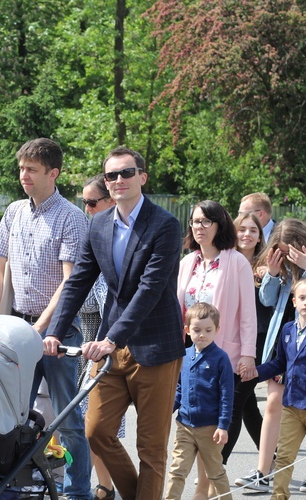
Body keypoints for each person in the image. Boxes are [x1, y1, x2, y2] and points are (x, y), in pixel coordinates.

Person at [48, 146, 186, 500]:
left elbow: (150, 289)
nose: (119, 180)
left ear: (142, 177)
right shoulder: (97, 224)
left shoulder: (165, 225)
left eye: (127, 173)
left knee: (151, 447)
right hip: (112, 350)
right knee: (96, 431)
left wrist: (111, 338)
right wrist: (54, 332)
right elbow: (78, 281)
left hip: (155, 346)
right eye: (112, 175)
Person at [0, 138, 91, 500]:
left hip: (58, 334)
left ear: (53, 173)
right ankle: (17, 484)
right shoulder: (14, 212)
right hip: (17, 329)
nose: (23, 175)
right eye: (21, 168)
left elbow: (70, 282)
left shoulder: (71, 217)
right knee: (11, 415)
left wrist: (41, 328)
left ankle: (78, 492)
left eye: (31, 169)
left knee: (67, 417)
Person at [236, 218, 306, 493]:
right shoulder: (282, 269)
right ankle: (265, 471)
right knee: (274, 404)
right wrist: (274, 273)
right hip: (285, 342)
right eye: (281, 251)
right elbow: (267, 299)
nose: (285, 257)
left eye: (290, 252)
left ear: (303, 245)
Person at [176, 200, 257, 498]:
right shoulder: (187, 263)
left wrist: (248, 353)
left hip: (226, 356)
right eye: (195, 222)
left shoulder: (235, 261)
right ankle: (205, 488)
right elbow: (179, 312)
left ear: (220, 225)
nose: (199, 227)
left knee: (214, 427)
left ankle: (205, 488)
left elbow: (247, 312)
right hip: (190, 357)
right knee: (194, 424)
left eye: (206, 222)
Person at [77, 174, 122, 500]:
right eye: (85, 203)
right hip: (96, 350)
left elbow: (109, 302)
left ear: (111, 202)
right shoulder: (95, 236)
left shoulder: (120, 241)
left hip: (121, 349)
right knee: (90, 426)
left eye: (92, 202)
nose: (87, 209)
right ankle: (104, 484)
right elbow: (90, 304)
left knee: (104, 429)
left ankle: (111, 485)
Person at [165, 302, 233, 500]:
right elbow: (179, 389)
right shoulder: (184, 356)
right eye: (196, 330)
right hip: (184, 425)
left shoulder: (221, 358)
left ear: (217, 330)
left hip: (210, 429)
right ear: (187, 330)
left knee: (215, 472)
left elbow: (227, 395)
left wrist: (223, 426)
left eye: (208, 330)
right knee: (177, 470)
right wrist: (167, 410)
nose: (202, 334)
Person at [223, 213, 271, 461]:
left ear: (260, 236)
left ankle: (217, 467)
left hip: (259, 344)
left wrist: (270, 275)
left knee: (234, 404)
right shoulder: (225, 260)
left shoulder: (269, 265)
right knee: (248, 406)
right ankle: (272, 458)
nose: (247, 235)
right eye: (242, 229)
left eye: (254, 230)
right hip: (231, 342)